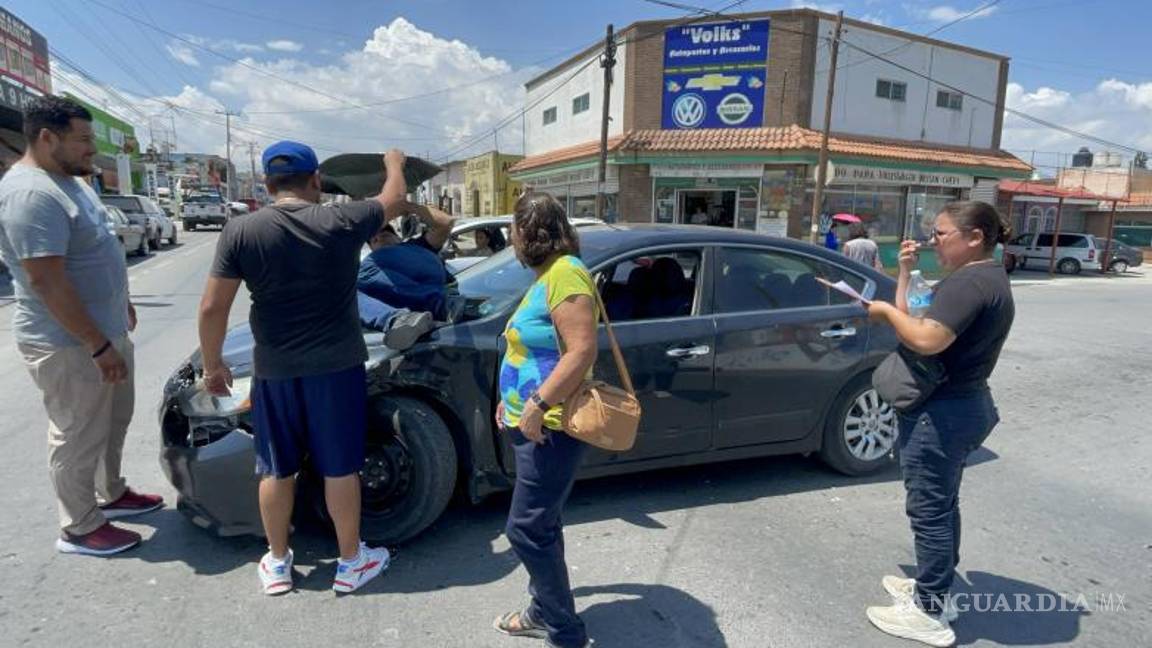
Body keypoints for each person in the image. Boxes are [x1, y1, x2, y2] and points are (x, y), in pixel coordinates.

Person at [197, 142, 408, 596]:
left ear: (268, 184)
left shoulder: (240, 230)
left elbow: (213, 307)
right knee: (340, 469)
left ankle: (276, 563)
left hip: (274, 369)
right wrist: (393, 164)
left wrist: (213, 366)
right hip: (336, 368)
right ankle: (351, 563)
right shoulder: (341, 219)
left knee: (276, 469)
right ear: (315, 180)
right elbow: (393, 200)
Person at [0, 95, 163, 557]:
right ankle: (79, 525)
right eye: (84, 139)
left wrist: (121, 302)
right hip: (69, 343)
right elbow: (46, 280)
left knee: (112, 420)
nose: (93, 149)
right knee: (76, 430)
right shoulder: (30, 194)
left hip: (103, 330)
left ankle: (110, 494)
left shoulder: (67, 181)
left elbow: (94, 250)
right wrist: (95, 344)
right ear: (48, 138)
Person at [864, 201, 1015, 647]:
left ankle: (930, 610)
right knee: (943, 504)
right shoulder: (983, 277)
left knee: (929, 510)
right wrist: (905, 273)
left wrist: (886, 313)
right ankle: (937, 589)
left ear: (975, 237)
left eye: (942, 234)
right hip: (961, 405)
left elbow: (925, 338)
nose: (934, 241)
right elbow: (917, 315)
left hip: (943, 412)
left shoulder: (971, 282)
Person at [491, 192, 598, 648]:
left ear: (528, 234)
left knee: (526, 529)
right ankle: (544, 609)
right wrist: (508, 399)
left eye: (515, 229)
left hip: (550, 426)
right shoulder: (548, 276)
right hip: (531, 423)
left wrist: (534, 404)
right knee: (543, 524)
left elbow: (581, 351)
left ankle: (565, 632)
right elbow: (531, 348)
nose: (512, 237)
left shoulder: (566, 273)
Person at [357, 202, 454, 348]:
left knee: (351, 286)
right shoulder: (376, 278)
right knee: (351, 291)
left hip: (431, 280)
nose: (378, 238)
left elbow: (446, 222)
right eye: (373, 240)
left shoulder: (417, 246)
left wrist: (404, 205)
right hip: (431, 297)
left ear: (399, 238)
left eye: (385, 234)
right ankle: (439, 307)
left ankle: (398, 319)